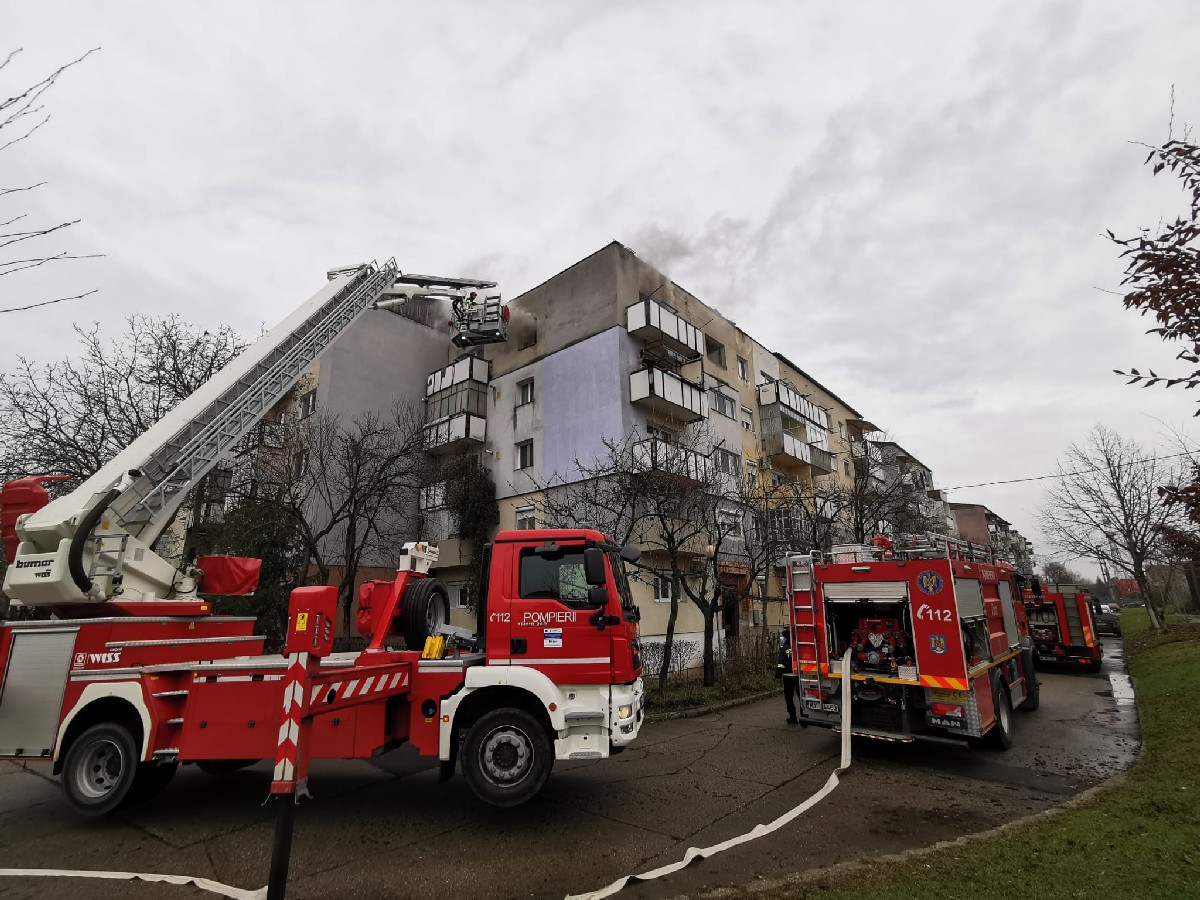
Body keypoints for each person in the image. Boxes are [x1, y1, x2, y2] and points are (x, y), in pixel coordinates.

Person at [775, 631, 800, 725]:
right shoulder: (798, 647)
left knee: (789, 699)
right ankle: (804, 719)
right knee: (801, 699)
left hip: (788, 677)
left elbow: (781, 663)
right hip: (799, 677)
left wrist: (778, 675)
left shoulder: (785, 648)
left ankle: (793, 718)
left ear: (786, 638)